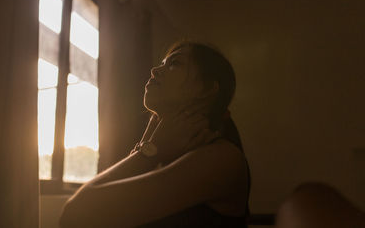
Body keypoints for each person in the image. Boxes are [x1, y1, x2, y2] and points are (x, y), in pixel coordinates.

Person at [59, 41, 250, 227]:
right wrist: (147, 144)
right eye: (162, 63)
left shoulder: (221, 159)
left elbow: (75, 215)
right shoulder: (169, 148)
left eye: (174, 64)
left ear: (207, 89)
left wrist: (150, 151)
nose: (155, 70)